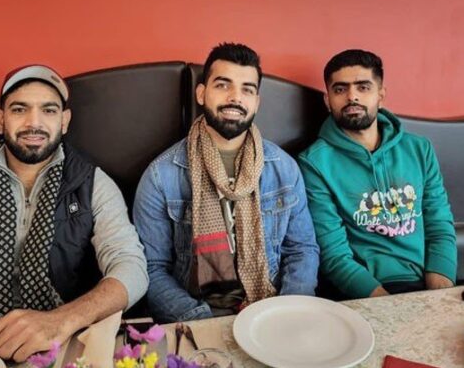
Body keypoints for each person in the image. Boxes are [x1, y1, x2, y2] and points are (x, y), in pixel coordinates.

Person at [0, 65, 148, 362]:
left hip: (54, 344)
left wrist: (62, 320)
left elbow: (131, 268)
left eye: (48, 110)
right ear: (1, 120)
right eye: (19, 109)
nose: (34, 123)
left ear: (64, 121)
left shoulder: (92, 184)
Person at [133, 43, 319, 323]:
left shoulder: (284, 168)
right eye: (223, 85)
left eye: (247, 89)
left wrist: (286, 312)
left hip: (271, 309)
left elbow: (302, 250)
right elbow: (152, 268)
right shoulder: (161, 175)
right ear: (201, 93)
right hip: (194, 312)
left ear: (257, 102)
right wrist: (203, 322)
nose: (235, 98)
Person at [299, 49, 456, 299]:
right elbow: (334, 255)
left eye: (363, 87)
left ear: (380, 96)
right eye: (340, 89)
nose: (352, 96)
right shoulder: (314, 163)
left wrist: (438, 298)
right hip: (366, 292)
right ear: (328, 100)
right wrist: (386, 306)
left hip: (427, 283)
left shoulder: (419, 149)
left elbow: (439, 224)